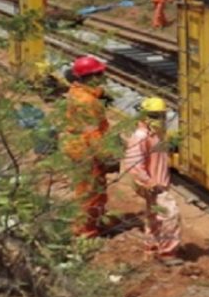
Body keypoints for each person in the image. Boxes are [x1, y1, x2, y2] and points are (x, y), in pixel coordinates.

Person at [124, 97, 182, 263]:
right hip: (153, 185)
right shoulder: (141, 136)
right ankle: (167, 253)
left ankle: (152, 248)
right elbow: (133, 163)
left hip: (157, 183)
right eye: (155, 116)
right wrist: (149, 183)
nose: (160, 120)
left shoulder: (156, 134)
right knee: (171, 215)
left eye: (161, 116)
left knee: (154, 216)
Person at [61, 55, 114, 237]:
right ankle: (87, 230)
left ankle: (91, 223)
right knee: (91, 192)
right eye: (99, 74)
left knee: (85, 189)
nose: (102, 77)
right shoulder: (87, 102)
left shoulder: (76, 92)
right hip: (87, 150)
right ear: (91, 76)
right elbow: (93, 133)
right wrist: (105, 155)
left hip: (77, 147)